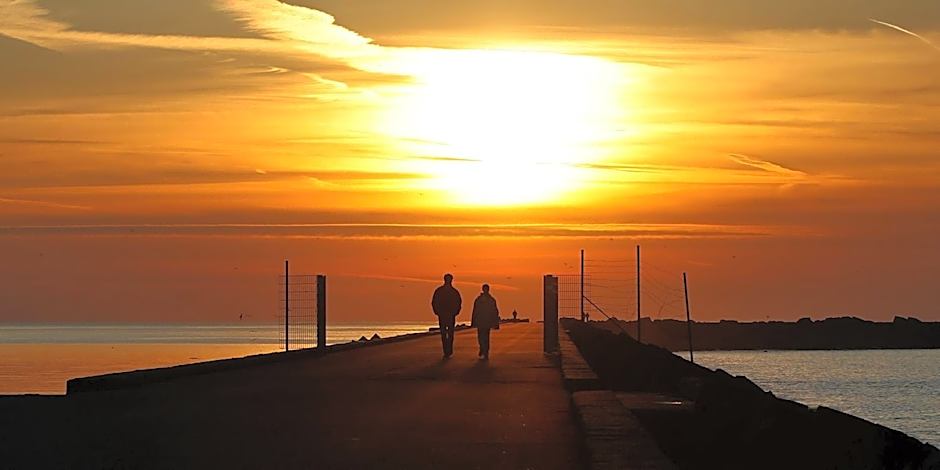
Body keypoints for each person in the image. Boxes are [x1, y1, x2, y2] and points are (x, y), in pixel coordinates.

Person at [431, 273, 462, 358]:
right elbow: (434, 302)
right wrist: (437, 312)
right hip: (445, 315)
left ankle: (447, 350)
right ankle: (447, 350)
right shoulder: (452, 292)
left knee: (446, 333)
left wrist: (455, 312)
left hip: (447, 315)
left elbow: (458, 303)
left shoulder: (442, 291)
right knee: (447, 333)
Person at [471, 284, 500, 360]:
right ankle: (482, 348)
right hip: (481, 321)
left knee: (485, 337)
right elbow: (475, 311)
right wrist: (473, 321)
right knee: (481, 337)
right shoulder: (479, 299)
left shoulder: (491, 300)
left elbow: (495, 311)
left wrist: (495, 322)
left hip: (486, 321)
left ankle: (485, 351)